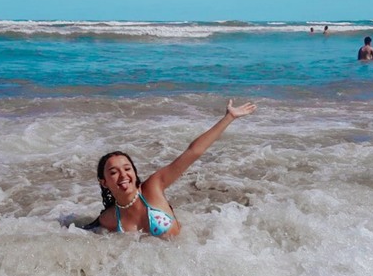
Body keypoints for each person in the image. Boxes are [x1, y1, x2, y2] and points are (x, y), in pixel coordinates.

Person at [89, 100, 256, 237]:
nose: (123, 175)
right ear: (103, 182)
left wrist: (229, 117)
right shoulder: (108, 219)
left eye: (127, 169)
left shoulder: (153, 188)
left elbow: (193, 152)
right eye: (113, 172)